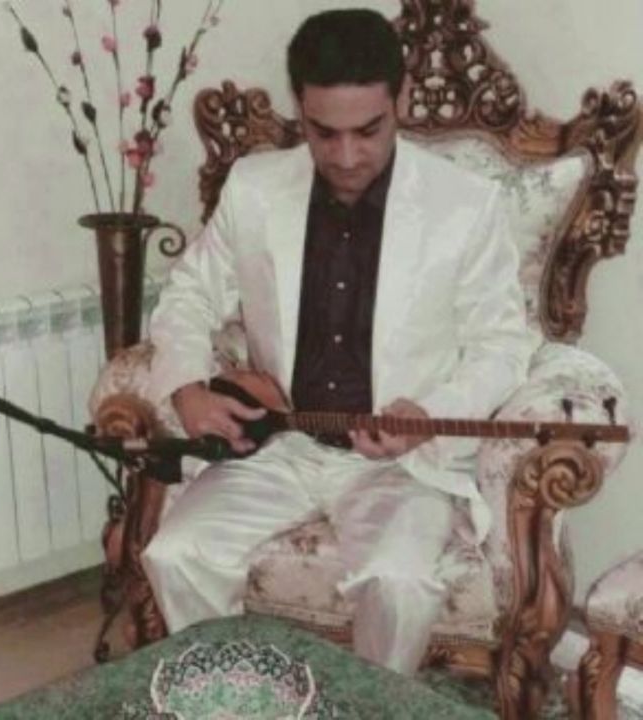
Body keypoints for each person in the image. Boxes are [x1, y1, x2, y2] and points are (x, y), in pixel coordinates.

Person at [143, 8, 531, 675]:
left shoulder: (466, 205)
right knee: (174, 554)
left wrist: (427, 412)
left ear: (399, 101)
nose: (347, 157)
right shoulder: (255, 188)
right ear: (300, 108)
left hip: (399, 463)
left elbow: (502, 346)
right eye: (324, 133)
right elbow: (188, 295)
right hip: (280, 443)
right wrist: (185, 389)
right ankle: (239, 699)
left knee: (398, 583)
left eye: (368, 131)